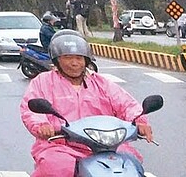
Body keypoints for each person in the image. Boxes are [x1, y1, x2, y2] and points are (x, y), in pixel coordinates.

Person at [20, 30, 153, 176]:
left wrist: (139, 121)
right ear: (57, 59)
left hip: (107, 146)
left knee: (131, 163)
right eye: (68, 57)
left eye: (79, 58)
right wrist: (42, 126)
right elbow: (31, 109)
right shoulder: (43, 82)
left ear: (86, 60)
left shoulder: (101, 83)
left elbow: (126, 104)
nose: (74, 63)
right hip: (60, 145)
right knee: (55, 167)